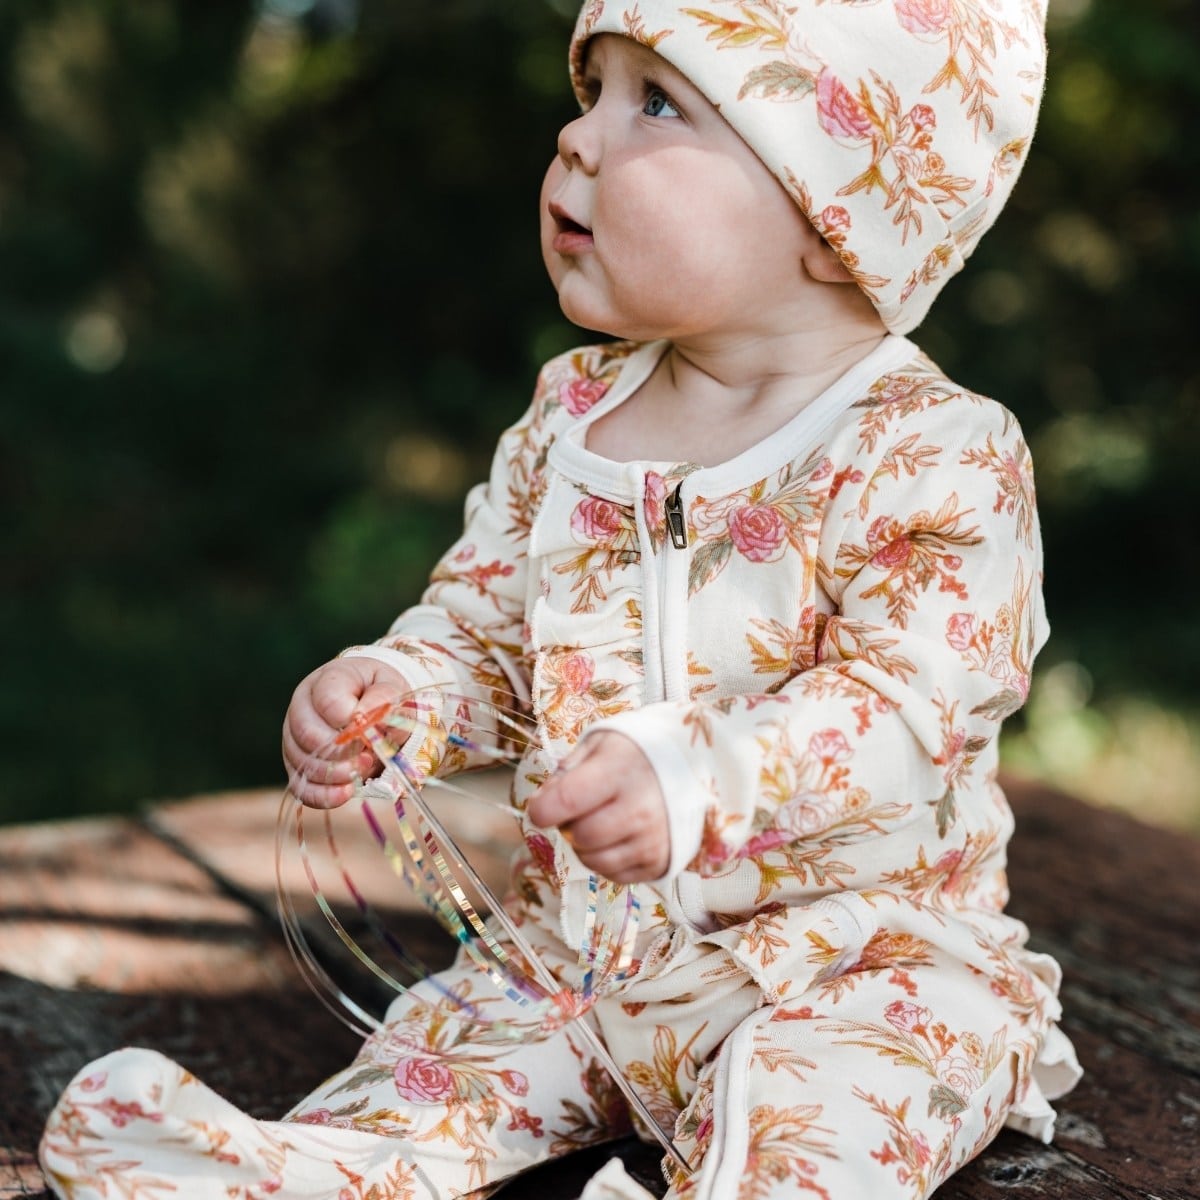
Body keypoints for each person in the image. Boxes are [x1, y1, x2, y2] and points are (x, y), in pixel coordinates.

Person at [39, 1, 1083, 1197]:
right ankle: (297, 1173)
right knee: (446, 1060)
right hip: (579, 955)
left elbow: (912, 712)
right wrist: (407, 692)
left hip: (860, 960)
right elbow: (486, 624)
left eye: (656, 104)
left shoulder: (937, 452)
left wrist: (696, 780)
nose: (579, 139)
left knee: (828, 1112)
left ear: (830, 207)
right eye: (592, 94)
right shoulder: (571, 419)